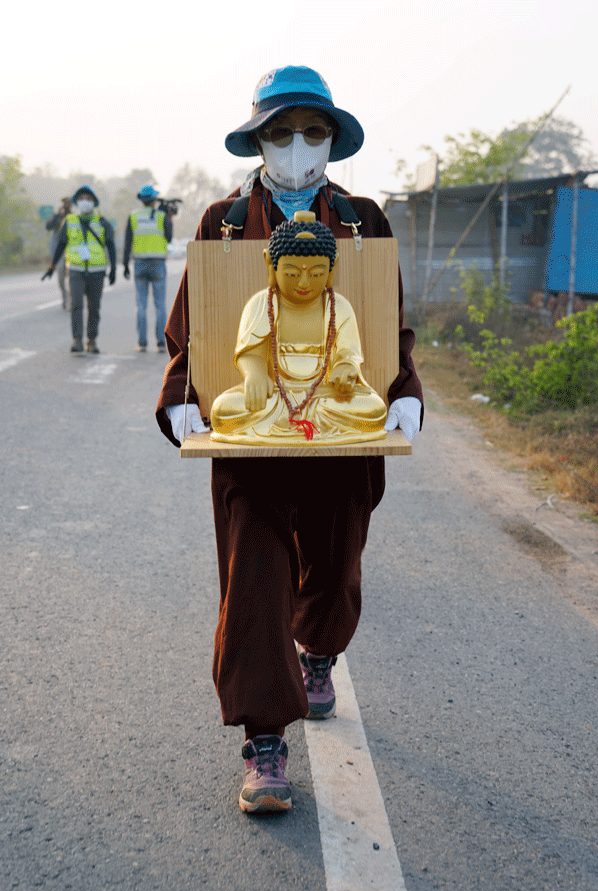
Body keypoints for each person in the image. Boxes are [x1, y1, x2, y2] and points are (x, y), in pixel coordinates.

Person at [156, 66, 424, 814]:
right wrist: (182, 400)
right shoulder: (224, 221)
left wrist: (403, 395)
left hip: (340, 433)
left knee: (334, 567)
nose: (297, 146)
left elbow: (385, 326)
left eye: (312, 131)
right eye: (281, 131)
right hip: (254, 442)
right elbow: (194, 330)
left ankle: (320, 652)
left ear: (332, 139)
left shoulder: (365, 219)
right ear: (259, 140)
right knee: (254, 577)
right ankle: (265, 738)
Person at [210, 214, 388, 444]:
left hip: (323, 396)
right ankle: (305, 427)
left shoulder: (338, 307)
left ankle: (289, 426)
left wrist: (345, 369)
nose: (304, 283)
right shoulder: (261, 304)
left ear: (331, 269)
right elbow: (250, 352)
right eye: (292, 274)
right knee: (223, 411)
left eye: (316, 274)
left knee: (374, 410)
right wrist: (254, 375)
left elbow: (348, 353)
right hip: (275, 395)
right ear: (270, 265)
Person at [42, 186, 116, 354]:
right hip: (75, 270)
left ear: (94, 202)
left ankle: (92, 340)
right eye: (82, 198)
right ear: (77, 202)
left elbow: (111, 246)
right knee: (76, 305)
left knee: (94, 307)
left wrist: (113, 270)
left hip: (97, 271)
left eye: (89, 199)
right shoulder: (69, 221)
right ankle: (77, 340)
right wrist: (52, 266)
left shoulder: (103, 222)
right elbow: (61, 245)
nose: (85, 201)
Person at [122, 185, 173, 352]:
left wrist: (124, 265)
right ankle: (160, 343)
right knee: (160, 305)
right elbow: (169, 237)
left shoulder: (133, 216)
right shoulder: (161, 216)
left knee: (141, 305)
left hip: (139, 264)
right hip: (158, 264)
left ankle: (142, 342)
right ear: (154, 200)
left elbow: (127, 242)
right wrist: (168, 216)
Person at [45, 197, 72, 308]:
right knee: (60, 274)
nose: (65, 205)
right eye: (64, 203)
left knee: (72, 276)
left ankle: (72, 298)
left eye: (68, 203)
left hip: (71, 250)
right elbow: (48, 227)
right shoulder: (57, 217)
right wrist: (55, 215)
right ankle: (64, 296)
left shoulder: (73, 217)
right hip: (58, 250)